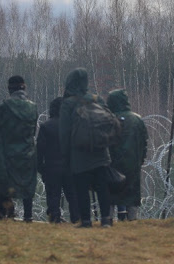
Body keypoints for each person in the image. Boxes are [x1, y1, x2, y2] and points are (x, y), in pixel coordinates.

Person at [59, 67, 113, 227]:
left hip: (79, 153)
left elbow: (64, 133)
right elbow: (109, 120)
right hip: (100, 151)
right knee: (103, 187)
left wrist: (66, 156)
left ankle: (86, 221)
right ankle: (106, 219)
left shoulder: (68, 104)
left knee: (81, 189)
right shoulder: (98, 99)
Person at [0, 76, 38, 221]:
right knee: (27, 184)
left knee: (4, 184)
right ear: (24, 88)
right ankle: (28, 216)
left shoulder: (4, 107)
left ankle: (5, 215)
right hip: (28, 152)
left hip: (7, 152)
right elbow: (34, 130)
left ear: (10, 89)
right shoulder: (33, 107)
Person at [107, 89, 148, 221]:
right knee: (131, 193)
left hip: (112, 163)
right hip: (132, 163)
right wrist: (140, 160)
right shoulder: (136, 119)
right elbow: (144, 142)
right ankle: (132, 220)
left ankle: (107, 219)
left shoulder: (109, 120)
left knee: (110, 193)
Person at [36, 96, 79, 223]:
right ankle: (76, 219)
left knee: (53, 196)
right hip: (70, 166)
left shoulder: (45, 126)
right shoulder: (72, 126)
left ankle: (54, 219)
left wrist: (41, 168)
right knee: (73, 196)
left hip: (51, 167)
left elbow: (40, 150)